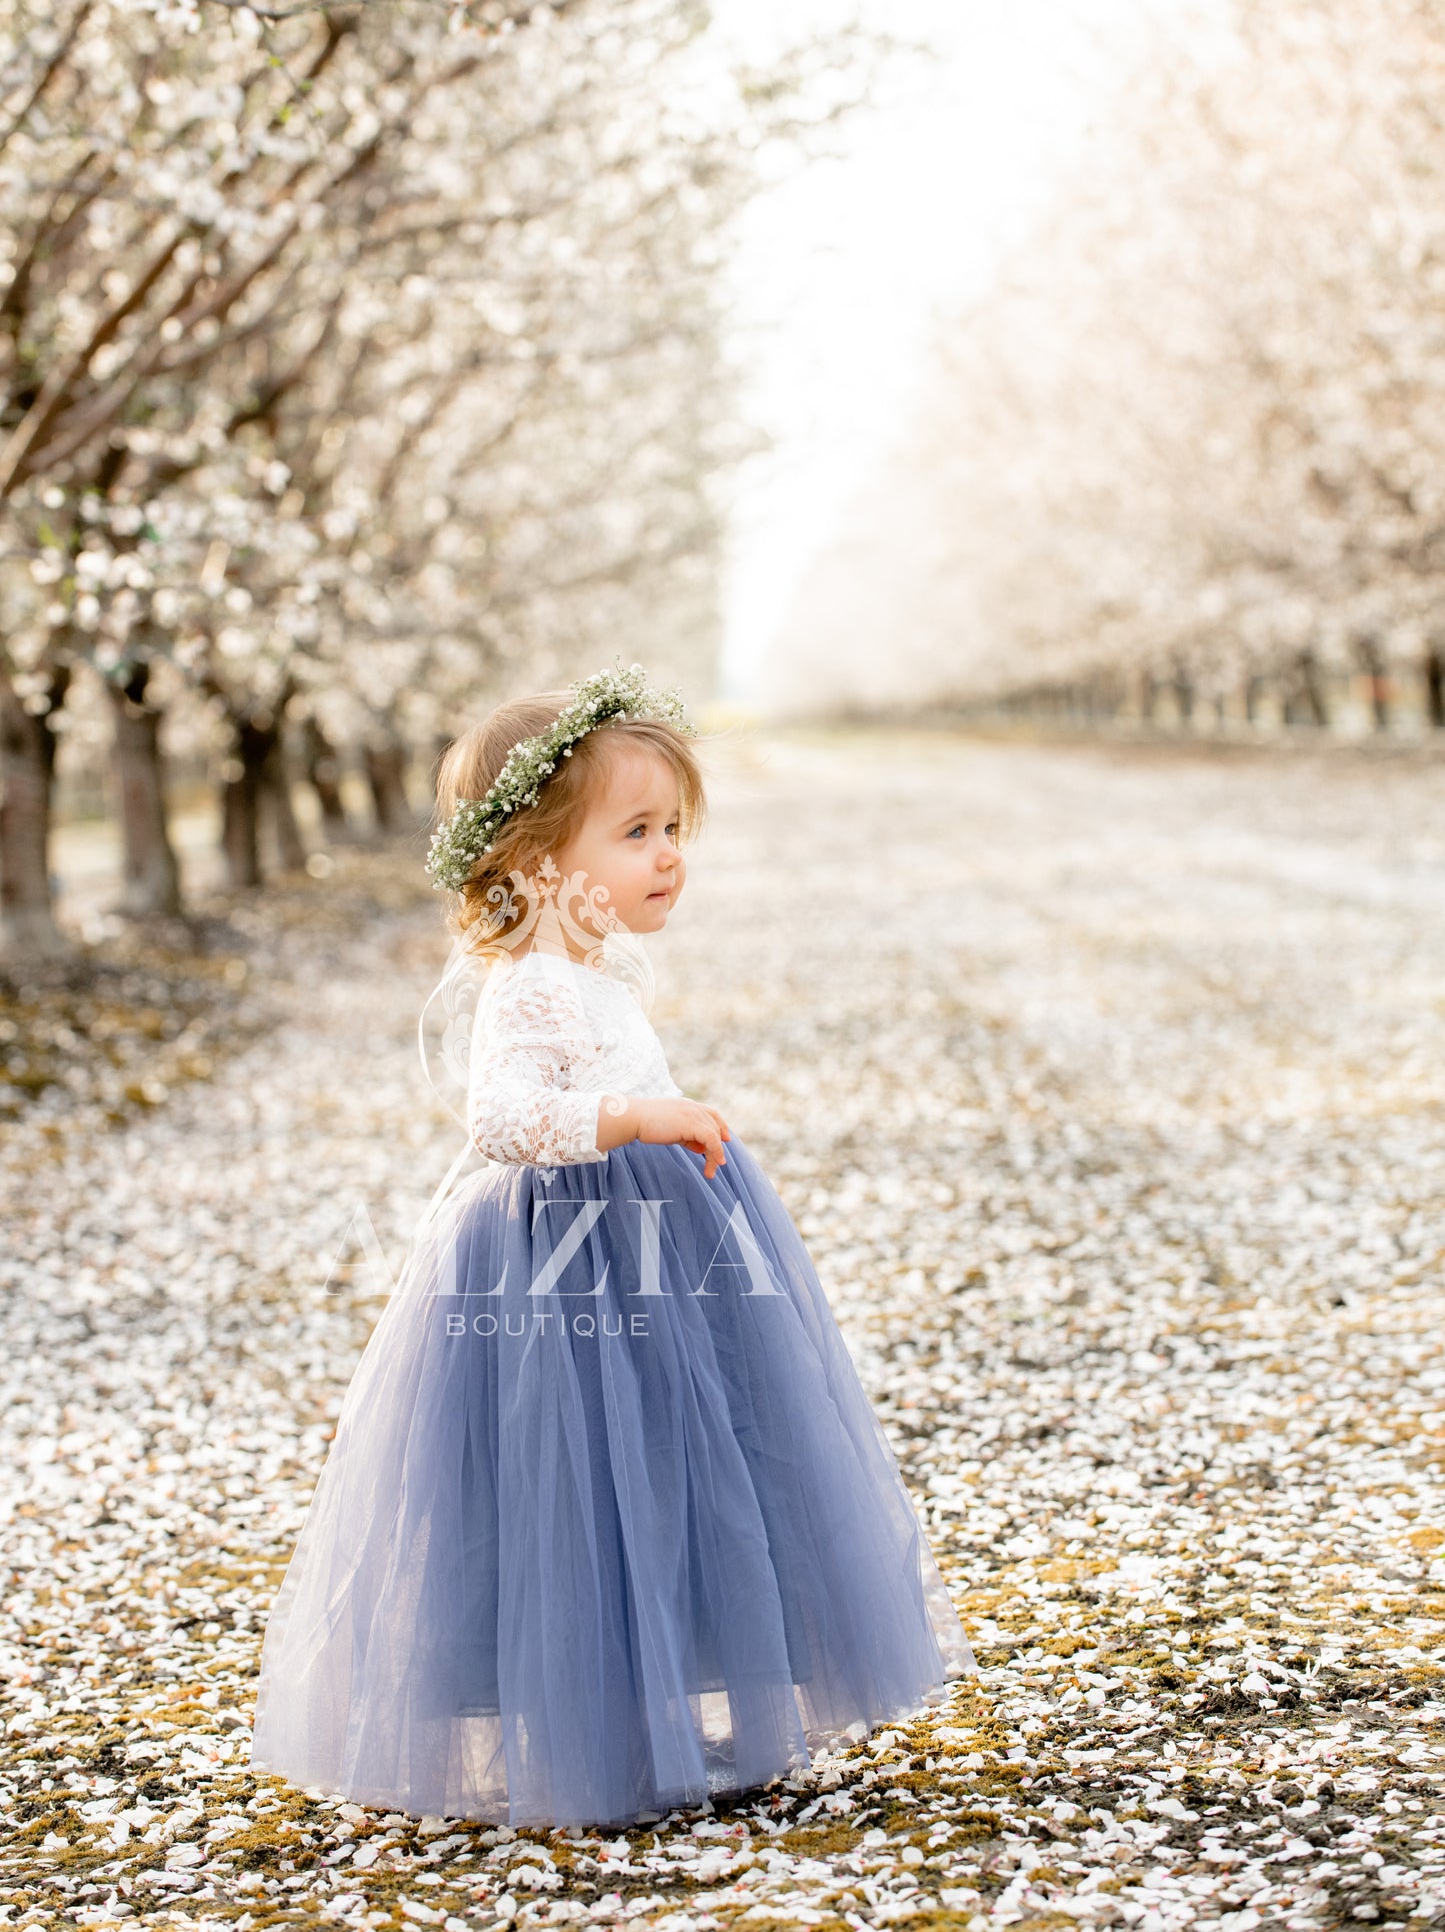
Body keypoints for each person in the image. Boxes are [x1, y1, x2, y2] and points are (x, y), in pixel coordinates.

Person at [250, 664, 974, 1830]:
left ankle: (667, 1689)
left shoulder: (586, 971)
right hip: (566, 1258)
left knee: (674, 1465)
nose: (668, 855)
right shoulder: (530, 986)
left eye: (674, 828)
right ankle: (600, 1720)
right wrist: (637, 1119)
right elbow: (498, 1120)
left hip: (649, 1242)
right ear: (540, 860)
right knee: (585, 1480)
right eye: (636, 831)